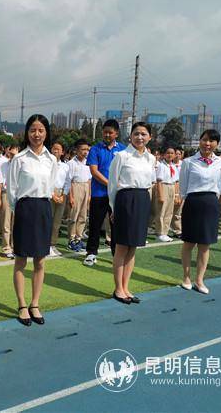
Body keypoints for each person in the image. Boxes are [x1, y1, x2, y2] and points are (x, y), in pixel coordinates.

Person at [8, 115, 57, 325]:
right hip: (25, 209)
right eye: (32, 130)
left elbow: (52, 186)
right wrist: (19, 210)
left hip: (44, 208)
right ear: (27, 133)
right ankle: (21, 304)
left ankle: (35, 303)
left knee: (40, 260)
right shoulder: (19, 159)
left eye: (41, 130)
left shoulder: (52, 159)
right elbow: (11, 191)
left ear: (46, 133)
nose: (36, 134)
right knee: (21, 259)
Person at [108, 122, 156, 304]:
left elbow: (150, 182)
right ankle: (118, 289)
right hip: (125, 200)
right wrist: (113, 208)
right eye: (136, 134)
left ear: (150, 137)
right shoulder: (121, 156)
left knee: (133, 247)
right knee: (121, 246)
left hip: (143, 199)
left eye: (144, 134)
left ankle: (126, 287)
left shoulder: (151, 159)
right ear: (130, 136)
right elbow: (112, 185)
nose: (140, 137)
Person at [179, 130, 221, 294]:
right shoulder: (188, 162)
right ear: (199, 141)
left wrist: (216, 199)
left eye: (212, 141)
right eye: (205, 140)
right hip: (193, 202)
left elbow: (220, 185)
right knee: (189, 242)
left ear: (217, 144)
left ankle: (199, 280)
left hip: (211, 203)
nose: (208, 143)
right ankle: (186, 277)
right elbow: (183, 188)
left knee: (205, 244)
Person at [84, 119, 126, 266]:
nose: (107, 135)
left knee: (116, 225)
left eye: (111, 132)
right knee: (95, 224)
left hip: (116, 195)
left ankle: (117, 254)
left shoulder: (123, 149)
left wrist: (116, 187)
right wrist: (110, 184)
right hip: (99, 194)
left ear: (116, 133)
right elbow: (94, 171)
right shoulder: (95, 149)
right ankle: (91, 253)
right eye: (105, 132)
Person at [66, 139, 92, 253]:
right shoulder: (71, 163)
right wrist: (71, 196)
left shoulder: (89, 162)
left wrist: (90, 194)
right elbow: (69, 181)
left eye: (87, 149)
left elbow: (90, 180)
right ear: (76, 150)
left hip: (86, 187)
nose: (85, 152)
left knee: (83, 215)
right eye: (83, 149)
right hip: (75, 187)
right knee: (73, 215)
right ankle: (71, 239)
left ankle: (79, 238)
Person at [0, 143, 19, 259]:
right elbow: (0, 180)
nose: (12, 154)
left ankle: (16, 246)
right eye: (10, 151)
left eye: (15, 152)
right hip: (6, 193)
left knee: (17, 223)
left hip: (18, 195)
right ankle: (6, 247)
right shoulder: (2, 164)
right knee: (6, 222)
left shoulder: (21, 164)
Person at [153, 146, 179, 242]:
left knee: (169, 211)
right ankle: (159, 233)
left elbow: (176, 182)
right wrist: (160, 194)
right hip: (163, 186)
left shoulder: (173, 166)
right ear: (164, 155)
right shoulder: (161, 166)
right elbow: (159, 181)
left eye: (172, 153)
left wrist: (176, 194)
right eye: (168, 153)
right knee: (161, 211)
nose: (170, 155)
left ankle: (165, 232)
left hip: (171, 187)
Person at [49, 141, 69, 257]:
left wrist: (63, 195)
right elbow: (46, 180)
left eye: (58, 149)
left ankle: (53, 244)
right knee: (49, 220)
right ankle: (46, 245)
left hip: (61, 194)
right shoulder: (47, 164)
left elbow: (67, 182)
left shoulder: (65, 166)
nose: (55, 151)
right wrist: (52, 194)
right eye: (54, 148)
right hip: (50, 193)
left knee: (57, 222)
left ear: (62, 152)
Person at [170, 148, 184, 237]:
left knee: (178, 210)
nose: (178, 155)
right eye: (176, 154)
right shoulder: (169, 164)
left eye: (179, 154)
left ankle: (178, 229)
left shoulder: (184, 164)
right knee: (169, 210)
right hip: (172, 187)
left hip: (181, 188)